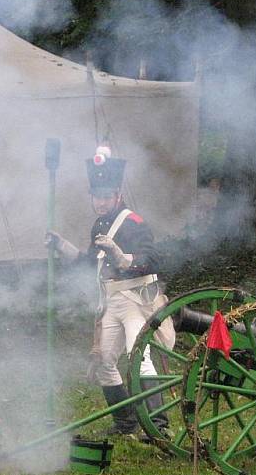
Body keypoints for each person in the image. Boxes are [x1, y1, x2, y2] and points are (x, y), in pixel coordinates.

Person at [47, 146, 169, 437]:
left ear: (117, 195)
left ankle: (159, 427)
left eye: (105, 197)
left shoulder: (134, 223)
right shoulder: (99, 224)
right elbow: (91, 263)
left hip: (136, 300)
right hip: (112, 300)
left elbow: (151, 259)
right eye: (96, 197)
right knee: (104, 362)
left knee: (141, 358)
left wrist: (121, 256)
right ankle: (126, 423)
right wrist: (61, 245)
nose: (100, 203)